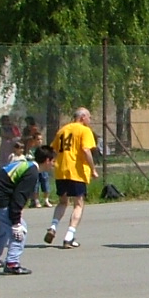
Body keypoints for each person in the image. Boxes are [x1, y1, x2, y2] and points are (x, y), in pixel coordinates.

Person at [0, 145, 55, 275]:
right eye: (53, 161)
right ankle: (12, 264)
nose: (54, 164)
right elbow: (19, 197)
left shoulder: (27, 165)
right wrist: (16, 223)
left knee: (2, 229)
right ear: (47, 160)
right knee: (20, 230)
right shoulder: (32, 173)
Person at [44, 107, 97, 249]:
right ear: (83, 117)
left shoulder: (63, 130)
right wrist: (92, 169)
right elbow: (86, 150)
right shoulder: (84, 130)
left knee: (62, 202)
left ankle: (53, 226)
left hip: (61, 170)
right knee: (78, 204)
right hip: (76, 171)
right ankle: (69, 236)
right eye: (89, 117)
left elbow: (53, 149)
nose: (90, 120)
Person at [21, 117, 48, 207]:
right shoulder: (28, 134)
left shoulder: (42, 148)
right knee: (35, 183)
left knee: (45, 180)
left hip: (42, 166)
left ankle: (46, 199)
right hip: (34, 165)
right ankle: (35, 200)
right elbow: (28, 152)